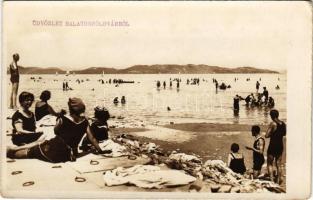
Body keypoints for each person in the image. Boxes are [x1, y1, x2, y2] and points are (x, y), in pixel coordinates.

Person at [7, 98, 105, 163]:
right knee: (36, 146)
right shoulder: (85, 122)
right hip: (70, 154)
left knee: (30, 152)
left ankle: (9, 153)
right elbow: (92, 138)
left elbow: (55, 131)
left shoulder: (63, 119)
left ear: (71, 108)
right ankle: (13, 150)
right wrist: (100, 150)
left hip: (54, 150)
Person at [265, 109, 286, 184]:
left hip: (273, 145)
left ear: (271, 116)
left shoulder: (273, 124)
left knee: (270, 163)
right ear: (278, 115)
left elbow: (266, 135)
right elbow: (284, 134)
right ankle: (278, 181)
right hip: (280, 145)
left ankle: (271, 181)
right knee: (278, 164)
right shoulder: (283, 123)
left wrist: (272, 133)